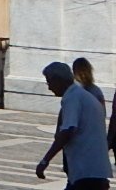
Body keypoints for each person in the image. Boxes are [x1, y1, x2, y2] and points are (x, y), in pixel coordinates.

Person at [37, 60, 112, 190]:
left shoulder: (72, 98)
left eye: (49, 82)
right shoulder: (81, 95)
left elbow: (68, 130)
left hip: (86, 170)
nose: (49, 87)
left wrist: (45, 160)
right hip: (94, 169)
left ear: (58, 80)